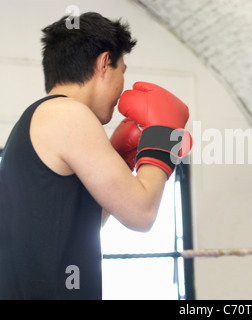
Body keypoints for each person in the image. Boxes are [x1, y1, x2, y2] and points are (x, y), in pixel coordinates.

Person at [0, 12, 190, 299]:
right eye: (122, 70)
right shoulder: (67, 113)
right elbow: (141, 214)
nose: (122, 87)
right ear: (104, 64)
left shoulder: (38, 121)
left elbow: (84, 225)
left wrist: (123, 161)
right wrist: (162, 136)